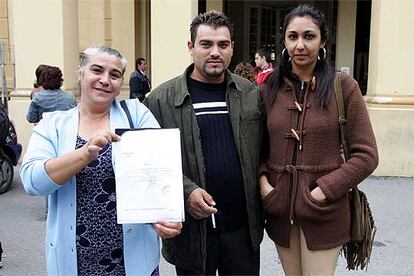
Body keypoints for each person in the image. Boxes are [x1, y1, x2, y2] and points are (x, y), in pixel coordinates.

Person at [20, 46, 182, 275]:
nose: (105, 80)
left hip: (132, 260)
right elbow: (32, 181)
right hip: (76, 260)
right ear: (81, 73)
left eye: (114, 75)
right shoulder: (53, 124)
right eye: (97, 70)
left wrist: (166, 217)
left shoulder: (137, 115)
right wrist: (83, 155)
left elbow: (157, 175)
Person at [259, 4, 379, 275]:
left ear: (323, 40)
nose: (300, 45)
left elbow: (367, 155)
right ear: (285, 41)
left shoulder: (344, 87)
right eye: (293, 37)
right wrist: (265, 183)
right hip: (281, 209)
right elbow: (258, 148)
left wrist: (323, 190)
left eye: (309, 36)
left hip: (324, 211)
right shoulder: (269, 89)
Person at [144, 11, 264, 276]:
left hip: (243, 231)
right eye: (206, 44)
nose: (215, 52)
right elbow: (148, 162)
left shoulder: (251, 94)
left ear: (232, 47)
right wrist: (186, 192)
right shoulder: (160, 100)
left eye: (223, 44)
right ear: (191, 47)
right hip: (192, 234)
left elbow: (266, 152)